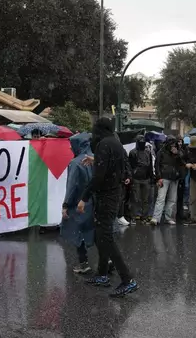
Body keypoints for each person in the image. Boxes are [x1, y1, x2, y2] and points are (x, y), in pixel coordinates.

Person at [80, 118, 137, 297]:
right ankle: (102, 274)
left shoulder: (103, 144)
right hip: (114, 194)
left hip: (107, 196)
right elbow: (113, 164)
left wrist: (84, 198)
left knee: (106, 238)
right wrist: (95, 159)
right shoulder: (115, 142)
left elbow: (99, 177)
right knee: (101, 235)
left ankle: (128, 280)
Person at [62, 133, 96, 274]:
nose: (70, 148)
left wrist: (65, 205)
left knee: (78, 232)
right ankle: (108, 260)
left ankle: (84, 263)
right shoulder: (96, 159)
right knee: (96, 232)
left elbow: (72, 186)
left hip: (79, 203)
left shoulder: (75, 163)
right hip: (95, 202)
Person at [150, 136, 184, 225]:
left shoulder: (178, 152)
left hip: (174, 177)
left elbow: (182, 163)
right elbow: (157, 165)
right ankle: (156, 218)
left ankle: (167, 218)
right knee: (161, 198)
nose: (173, 145)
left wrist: (177, 154)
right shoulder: (161, 152)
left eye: (174, 143)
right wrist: (159, 177)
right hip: (164, 177)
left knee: (172, 199)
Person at [128, 135, 154, 224]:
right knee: (136, 199)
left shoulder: (148, 152)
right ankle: (134, 216)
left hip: (146, 178)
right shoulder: (132, 152)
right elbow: (130, 166)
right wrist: (131, 176)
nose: (142, 143)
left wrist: (151, 177)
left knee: (145, 199)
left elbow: (150, 165)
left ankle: (144, 216)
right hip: (136, 178)